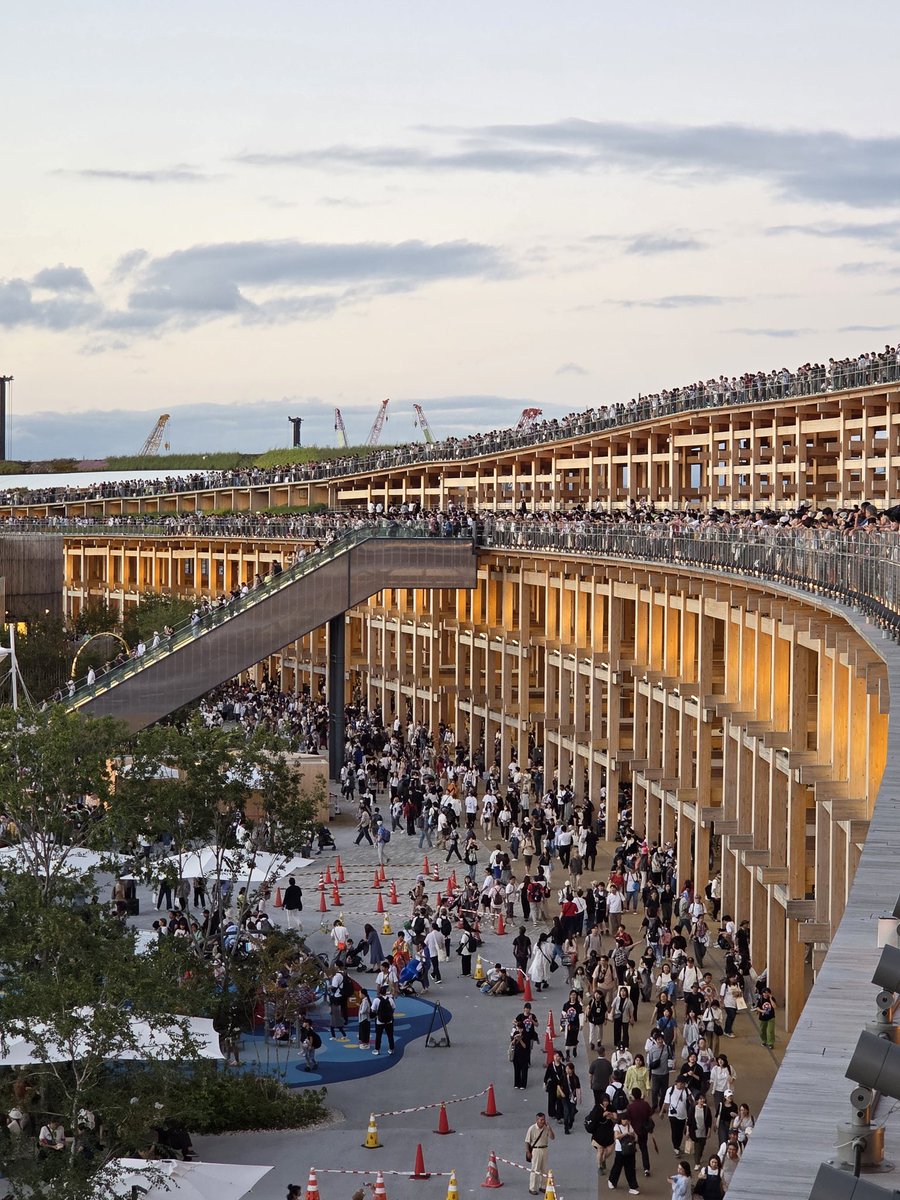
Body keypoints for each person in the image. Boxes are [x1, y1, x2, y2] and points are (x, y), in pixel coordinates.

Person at [607, 1111, 641, 1193]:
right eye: (624, 1120)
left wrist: (635, 1136)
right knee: (617, 1167)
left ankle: (633, 1187)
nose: (626, 1121)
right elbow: (617, 1137)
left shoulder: (629, 1126)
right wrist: (626, 1133)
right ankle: (612, 1180)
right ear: (621, 1120)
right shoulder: (617, 1127)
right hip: (620, 1150)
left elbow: (634, 1134)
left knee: (631, 1169)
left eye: (627, 1120)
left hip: (630, 1150)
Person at [625, 1087, 654, 1179]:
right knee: (644, 1149)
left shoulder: (630, 1107)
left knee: (631, 1150)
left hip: (633, 1132)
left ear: (633, 1096)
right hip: (644, 1130)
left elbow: (628, 1120)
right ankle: (646, 1168)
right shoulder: (645, 1104)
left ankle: (632, 1166)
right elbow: (650, 1113)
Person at [524, 1111, 555, 1195]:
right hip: (536, 1150)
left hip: (545, 1149)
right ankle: (532, 1188)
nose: (543, 1121)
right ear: (537, 1120)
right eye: (541, 1120)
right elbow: (527, 1141)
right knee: (535, 1169)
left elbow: (552, 1137)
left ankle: (543, 1186)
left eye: (544, 1119)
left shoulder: (546, 1128)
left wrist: (550, 1128)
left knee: (544, 1169)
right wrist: (528, 1152)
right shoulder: (532, 1129)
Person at [543, 1051, 567, 1122]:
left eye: (558, 1056)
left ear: (560, 1057)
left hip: (560, 1085)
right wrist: (545, 1082)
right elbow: (547, 1075)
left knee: (559, 1100)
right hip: (552, 1085)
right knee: (551, 1099)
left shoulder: (563, 1067)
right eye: (555, 1056)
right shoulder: (551, 1065)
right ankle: (552, 1113)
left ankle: (559, 1113)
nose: (556, 1057)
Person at [372, 986, 396, 1055]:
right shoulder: (390, 999)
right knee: (390, 1035)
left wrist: (378, 1013)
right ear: (386, 992)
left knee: (378, 1036)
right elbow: (394, 1008)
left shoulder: (376, 1000)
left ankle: (377, 1050)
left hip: (380, 1021)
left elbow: (373, 1009)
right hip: (389, 1020)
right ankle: (391, 1049)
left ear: (379, 992)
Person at [561, 1060, 582, 1134]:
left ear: (572, 1069)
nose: (567, 1070)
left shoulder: (575, 1078)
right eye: (566, 1068)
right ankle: (566, 1128)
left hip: (573, 1098)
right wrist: (561, 1093)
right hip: (565, 1097)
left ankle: (571, 1121)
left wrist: (579, 1098)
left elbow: (578, 1088)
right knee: (566, 1112)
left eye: (568, 1069)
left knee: (572, 1112)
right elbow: (559, 1085)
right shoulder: (563, 1076)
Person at [511, 1018, 531, 1090]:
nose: (519, 1030)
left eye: (520, 1028)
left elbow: (525, 1046)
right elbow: (512, 1044)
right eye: (518, 1028)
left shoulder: (526, 1034)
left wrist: (520, 1040)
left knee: (524, 1070)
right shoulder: (515, 1033)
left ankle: (523, 1084)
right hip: (516, 1054)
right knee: (517, 1069)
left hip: (524, 1055)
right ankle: (517, 1083)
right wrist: (514, 1039)